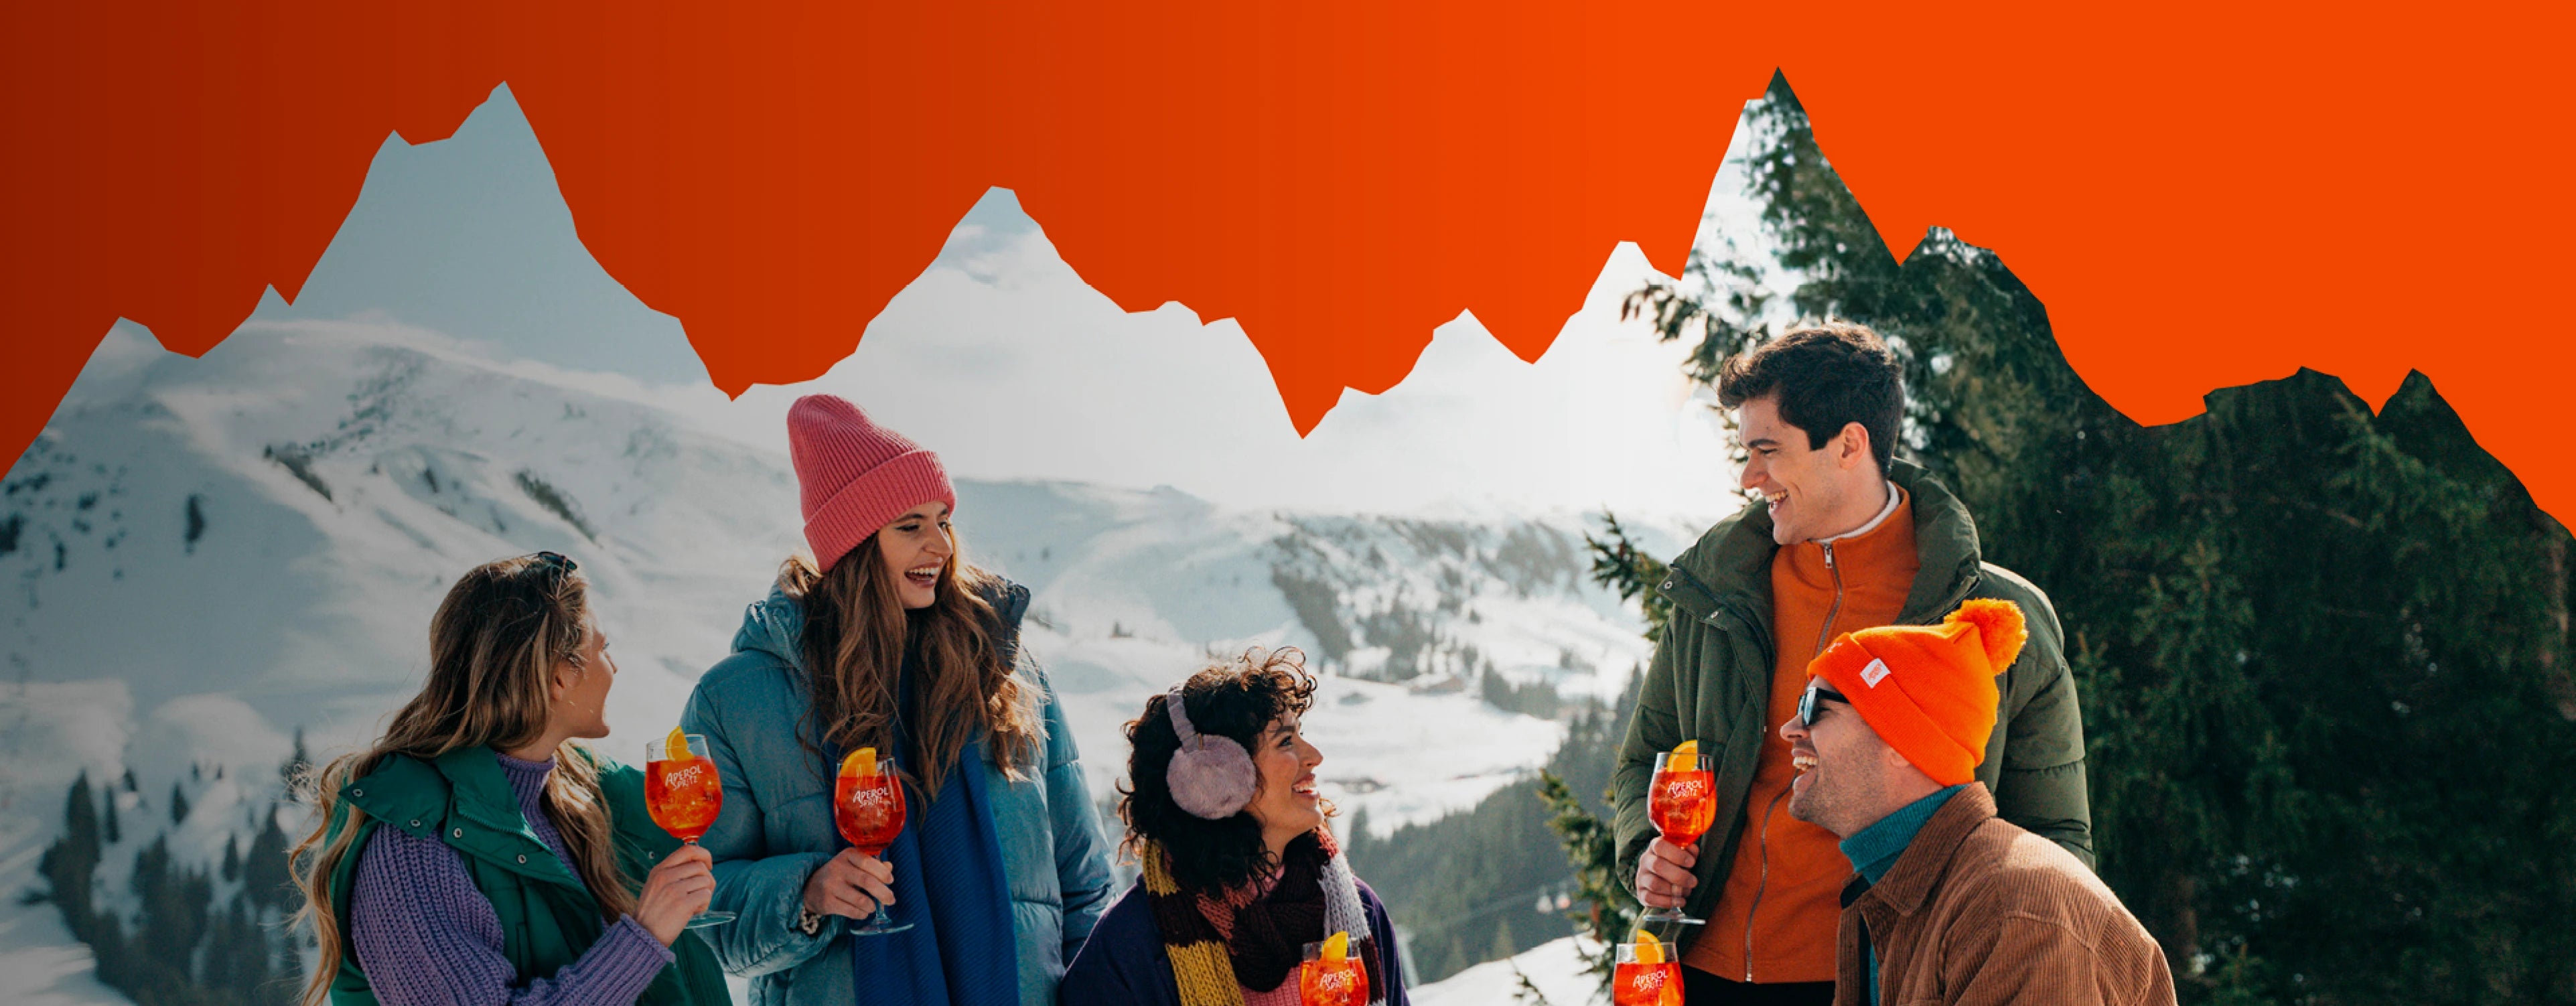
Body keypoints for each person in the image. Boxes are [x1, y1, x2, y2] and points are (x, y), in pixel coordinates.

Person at [1616, 321, 2092, 1003]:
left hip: (1881, 981)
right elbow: (1644, 761)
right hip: (1701, 973)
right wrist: (1644, 854)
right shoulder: (1719, 589)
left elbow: (2053, 841)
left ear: (1848, 444)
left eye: (1766, 450)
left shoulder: (1991, 616)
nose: (1749, 477)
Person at [680, 393, 1115, 1006]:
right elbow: (700, 910)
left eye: (944, 520)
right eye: (910, 526)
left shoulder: (1006, 676)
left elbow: (1084, 882)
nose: (939, 544)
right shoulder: (741, 699)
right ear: (853, 546)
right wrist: (805, 895)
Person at [290, 552, 731, 1006]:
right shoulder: (411, 847)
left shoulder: (579, 792)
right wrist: (645, 936)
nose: (613, 667)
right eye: (604, 648)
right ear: (560, 677)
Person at [1782, 599, 2173, 1005]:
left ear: (1898, 739)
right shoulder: (1892, 888)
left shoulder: (2013, 911)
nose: (1789, 729)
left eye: (1814, 708)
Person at [1062, 648, 1408, 1006]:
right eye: (1286, 741)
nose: (1314, 756)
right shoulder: (1130, 948)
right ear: (1213, 781)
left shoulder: (1358, 910)